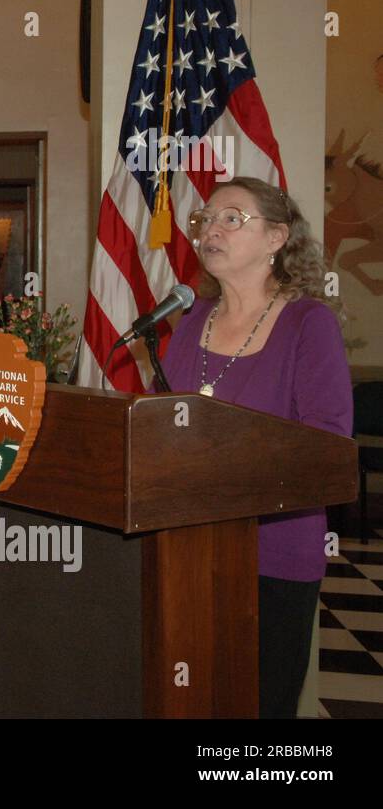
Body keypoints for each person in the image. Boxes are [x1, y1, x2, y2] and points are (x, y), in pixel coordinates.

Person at [163, 176, 352, 718]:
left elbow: (327, 445)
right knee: (188, 698)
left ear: (276, 239)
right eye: (205, 220)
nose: (209, 230)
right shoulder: (193, 317)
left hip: (274, 549)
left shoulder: (307, 324)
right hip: (187, 547)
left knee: (260, 706)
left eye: (231, 218)